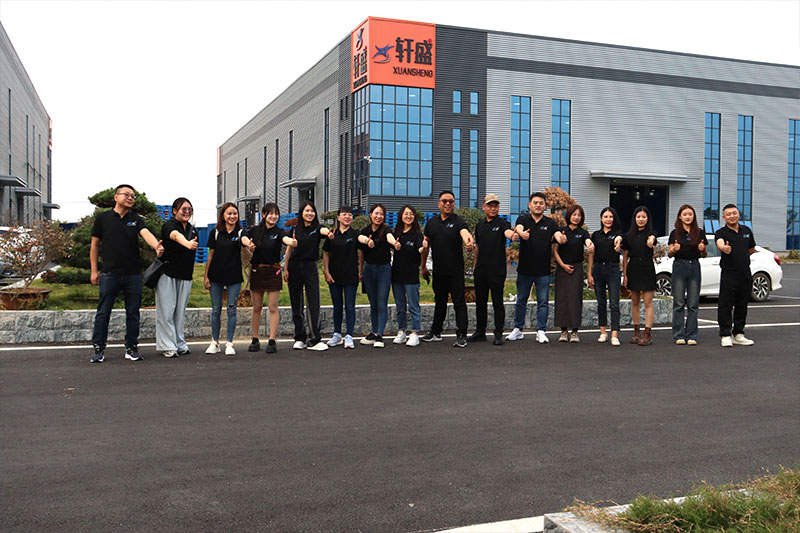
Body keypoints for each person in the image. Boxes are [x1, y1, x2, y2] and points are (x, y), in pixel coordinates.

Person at [89, 184, 163, 363]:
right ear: (116, 197)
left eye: (133, 196)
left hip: (133, 275)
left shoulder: (135, 219)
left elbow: (145, 233)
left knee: (133, 313)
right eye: (126, 194)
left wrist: (156, 245)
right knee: (103, 312)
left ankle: (131, 347)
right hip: (109, 274)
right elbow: (94, 246)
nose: (130, 198)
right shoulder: (103, 218)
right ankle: (98, 348)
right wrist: (94, 271)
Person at [508, 192, 566, 343]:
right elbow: (519, 228)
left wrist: (561, 239)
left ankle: (541, 331)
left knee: (543, 302)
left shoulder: (550, 223)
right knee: (521, 300)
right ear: (529, 205)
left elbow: (558, 235)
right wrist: (521, 234)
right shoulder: (523, 219)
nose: (538, 205)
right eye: (535, 203)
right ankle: (518, 329)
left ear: (545, 206)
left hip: (542, 271)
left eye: (541, 203)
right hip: (525, 269)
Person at [421, 190, 474, 348]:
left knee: (459, 303)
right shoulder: (432, 223)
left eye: (451, 201)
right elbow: (425, 245)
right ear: (439, 204)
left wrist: (469, 242)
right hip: (438, 271)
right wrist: (423, 266)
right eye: (444, 201)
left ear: (454, 204)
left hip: (455, 272)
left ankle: (462, 335)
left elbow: (465, 233)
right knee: (440, 302)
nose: (448, 204)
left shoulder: (458, 221)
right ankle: (435, 332)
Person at [245, 203, 295, 354]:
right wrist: (248, 244)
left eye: (276, 214)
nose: (274, 216)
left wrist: (292, 242)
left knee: (273, 307)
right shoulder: (254, 231)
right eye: (270, 213)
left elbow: (286, 239)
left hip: (273, 271)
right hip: (257, 270)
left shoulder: (279, 232)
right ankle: (255, 339)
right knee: (257, 307)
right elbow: (244, 237)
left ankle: (272, 340)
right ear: (263, 214)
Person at [469, 194, 516, 345]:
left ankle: (498, 333)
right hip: (481, 270)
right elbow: (478, 247)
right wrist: (474, 266)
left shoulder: (503, 223)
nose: (493, 208)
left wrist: (514, 236)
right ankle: (480, 332)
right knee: (480, 303)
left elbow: (508, 233)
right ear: (484, 207)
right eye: (490, 206)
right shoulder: (480, 225)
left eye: (496, 206)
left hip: (497, 271)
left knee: (497, 303)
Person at [284, 201, 331, 351]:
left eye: (312, 211)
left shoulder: (317, 228)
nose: (310, 213)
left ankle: (315, 339)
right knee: (296, 304)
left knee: (313, 302)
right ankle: (300, 337)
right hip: (294, 267)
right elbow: (289, 250)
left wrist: (328, 233)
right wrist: (285, 268)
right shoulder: (294, 229)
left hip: (310, 267)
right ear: (301, 212)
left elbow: (323, 231)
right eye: (307, 211)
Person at [156, 197, 199, 358]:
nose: (187, 212)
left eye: (190, 209)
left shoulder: (192, 230)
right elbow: (175, 235)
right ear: (174, 211)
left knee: (180, 312)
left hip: (186, 275)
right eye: (183, 209)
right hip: (167, 274)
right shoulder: (169, 225)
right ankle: (168, 346)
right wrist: (187, 243)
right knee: (167, 311)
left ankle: (180, 343)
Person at [203, 203, 245, 356]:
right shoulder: (215, 233)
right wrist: (206, 276)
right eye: (229, 214)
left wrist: (249, 245)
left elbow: (246, 241)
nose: (232, 216)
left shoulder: (240, 232)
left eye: (235, 214)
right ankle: (215, 342)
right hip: (216, 275)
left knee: (232, 309)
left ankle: (229, 343)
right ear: (223, 215)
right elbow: (210, 255)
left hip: (234, 276)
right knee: (216, 309)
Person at [715, 203, 756, 347]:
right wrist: (723, 248)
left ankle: (738, 333)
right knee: (725, 305)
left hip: (745, 273)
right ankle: (725, 334)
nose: (732, 216)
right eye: (728, 214)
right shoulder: (721, 232)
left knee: (742, 304)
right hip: (729, 274)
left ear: (739, 214)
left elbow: (751, 249)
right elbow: (719, 243)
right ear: (724, 217)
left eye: (734, 213)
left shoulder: (746, 231)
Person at [358, 204, 397, 349]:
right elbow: (361, 252)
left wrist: (395, 243)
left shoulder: (386, 230)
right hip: (368, 269)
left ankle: (380, 335)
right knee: (373, 303)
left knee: (381, 303)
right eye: (376, 213)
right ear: (370, 214)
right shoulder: (365, 231)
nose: (379, 216)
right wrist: (360, 271)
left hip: (383, 270)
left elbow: (390, 237)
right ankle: (374, 332)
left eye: (381, 214)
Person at [553, 204, 593, 343]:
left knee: (575, 299)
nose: (576, 217)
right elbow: (555, 250)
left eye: (579, 215)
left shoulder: (583, 233)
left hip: (576, 269)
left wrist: (590, 245)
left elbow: (588, 242)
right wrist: (563, 265)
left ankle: (575, 332)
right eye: (574, 214)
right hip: (562, 269)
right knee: (562, 299)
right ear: (569, 215)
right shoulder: (561, 231)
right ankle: (563, 331)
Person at [668, 204, 708, 346]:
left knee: (693, 303)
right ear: (680, 216)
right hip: (679, 266)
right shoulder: (675, 233)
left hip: (694, 266)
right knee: (679, 302)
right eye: (685, 214)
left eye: (690, 214)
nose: (687, 217)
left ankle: (692, 335)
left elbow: (704, 254)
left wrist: (702, 250)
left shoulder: (699, 232)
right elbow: (669, 253)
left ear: (694, 216)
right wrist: (674, 249)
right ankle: (678, 334)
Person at [323, 206, 359, 350]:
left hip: (351, 275)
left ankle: (349, 336)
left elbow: (361, 246)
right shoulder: (332, 234)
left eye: (350, 215)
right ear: (338, 217)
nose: (347, 217)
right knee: (337, 307)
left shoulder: (355, 234)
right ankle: (337, 334)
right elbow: (326, 253)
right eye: (344, 214)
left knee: (350, 307)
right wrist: (326, 272)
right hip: (334, 276)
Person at [391, 205, 427, 347]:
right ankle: (402, 331)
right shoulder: (396, 233)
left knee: (413, 305)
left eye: (411, 214)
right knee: (400, 306)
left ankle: (414, 333)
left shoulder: (417, 234)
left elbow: (420, 249)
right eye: (406, 214)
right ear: (401, 216)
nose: (408, 216)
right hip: (396, 275)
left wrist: (424, 247)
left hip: (411, 275)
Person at [587, 207, 624, 346]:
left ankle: (614, 334)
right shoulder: (596, 235)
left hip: (613, 269)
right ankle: (603, 332)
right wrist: (589, 273)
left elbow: (620, 239)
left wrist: (618, 243)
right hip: (598, 269)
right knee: (601, 303)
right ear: (601, 219)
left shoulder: (618, 234)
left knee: (614, 303)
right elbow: (591, 255)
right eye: (606, 217)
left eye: (611, 217)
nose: (608, 219)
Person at [622, 206, 657, 346]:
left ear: (648, 218)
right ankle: (636, 332)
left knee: (648, 302)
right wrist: (625, 274)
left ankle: (647, 334)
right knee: (635, 301)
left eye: (643, 217)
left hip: (647, 268)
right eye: (638, 217)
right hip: (633, 268)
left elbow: (653, 239)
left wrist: (651, 241)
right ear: (634, 218)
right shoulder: (628, 236)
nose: (641, 219)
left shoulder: (651, 234)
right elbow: (625, 256)